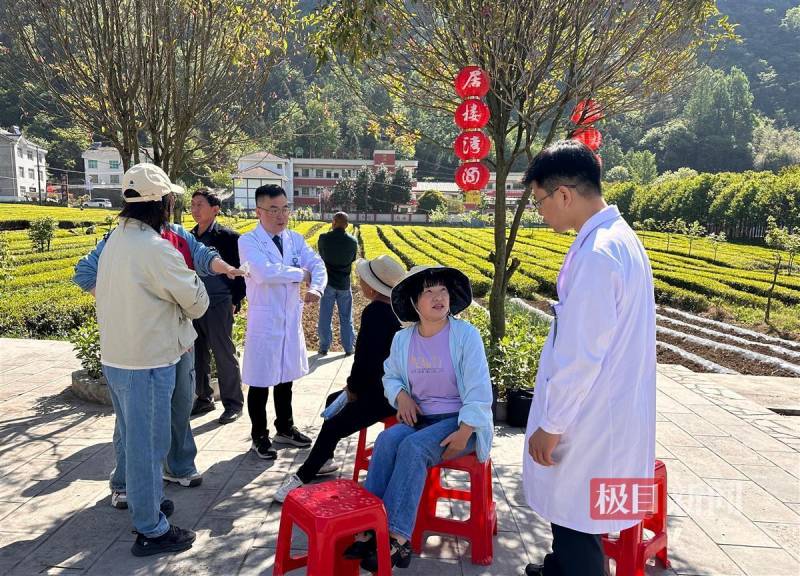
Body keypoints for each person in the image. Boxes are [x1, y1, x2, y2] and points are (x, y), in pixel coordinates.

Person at [520, 141, 656, 576]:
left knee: (578, 521)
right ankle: (557, 567)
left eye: (540, 200)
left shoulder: (598, 255)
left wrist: (551, 425)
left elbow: (581, 354)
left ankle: (570, 568)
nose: (540, 212)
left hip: (591, 420)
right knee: (580, 517)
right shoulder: (619, 238)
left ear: (563, 194)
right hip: (612, 414)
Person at [74, 177, 244, 501]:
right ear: (160, 202)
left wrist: (228, 269)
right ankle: (124, 483)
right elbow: (84, 273)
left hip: (179, 338)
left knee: (180, 404)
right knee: (132, 421)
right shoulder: (121, 239)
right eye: (172, 200)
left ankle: (178, 466)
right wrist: (120, 300)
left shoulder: (177, 235)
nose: (177, 206)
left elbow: (204, 255)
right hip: (142, 344)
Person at [344, 265, 493, 572]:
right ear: (414, 302)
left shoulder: (466, 336)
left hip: (460, 420)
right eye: (428, 291)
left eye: (443, 290)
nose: (438, 297)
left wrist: (465, 432)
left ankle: (398, 537)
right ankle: (369, 526)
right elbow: (392, 377)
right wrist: (401, 396)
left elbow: (479, 389)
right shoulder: (403, 339)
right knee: (387, 440)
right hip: (421, 419)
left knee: (413, 448)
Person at [94, 163, 209, 556]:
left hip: (118, 356)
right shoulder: (157, 249)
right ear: (161, 202)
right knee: (149, 445)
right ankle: (151, 528)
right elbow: (196, 303)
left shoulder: (116, 240)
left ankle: (148, 500)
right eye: (171, 199)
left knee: (133, 436)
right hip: (148, 360)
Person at [273, 254, 407, 502]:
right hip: (394, 388)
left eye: (362, 279)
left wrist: (353, 388)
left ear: (372, 286)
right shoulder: (398, 311)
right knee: (334, 400)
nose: (359, 282)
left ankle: (302, 477)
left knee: (334, 422)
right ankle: (325, 460)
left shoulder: (376, 312)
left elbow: (365, 361)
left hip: (385, 394)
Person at [238, 184, 327, 459]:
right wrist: (300, 274)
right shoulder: (248, 241)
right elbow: (264, 272)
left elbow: (317, 265)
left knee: (285, 378)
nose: (281, 215)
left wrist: (316, 288)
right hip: (264, 321)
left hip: (289, 320)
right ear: (259, 211)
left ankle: (285, 428)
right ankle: (259, 436)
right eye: (273, 209)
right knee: (260, 380)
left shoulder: (295, 239)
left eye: (285, 208)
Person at [189, 188, 246, 424]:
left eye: (199, 205)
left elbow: (239, 272)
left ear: (215, 209)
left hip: (220, 302)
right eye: (192, 205)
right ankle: (204, 398)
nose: (194, 210)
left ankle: (233, 403)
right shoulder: (189, 237)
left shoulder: (228, 237)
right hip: (193, 302)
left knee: (223, 353)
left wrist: (236, 301)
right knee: (197, 353)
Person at [316, 212, 358, 355]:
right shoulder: (353, 242)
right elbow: (353, 259)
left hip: (327, 283)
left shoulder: (323, 239)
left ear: (333, 222)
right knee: (346, 317)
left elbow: (320, 256)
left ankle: (323, 347)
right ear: (346, 225)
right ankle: (348, 348)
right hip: (344, 284)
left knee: (325, 316)